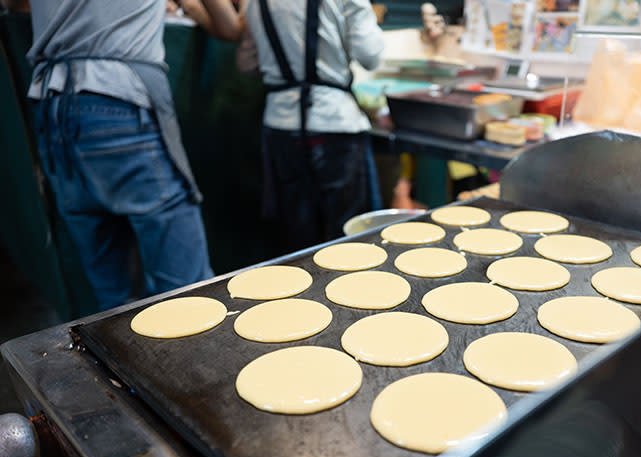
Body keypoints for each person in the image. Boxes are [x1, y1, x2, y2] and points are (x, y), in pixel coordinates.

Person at [27, 0, 214, 311]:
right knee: (189, 296)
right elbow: (228, 24)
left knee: (115, 300)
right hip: (118, 96)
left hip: (53, 103)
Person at [199, 0, 384, 252]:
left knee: (297, 241)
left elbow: (247, 63)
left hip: (280, 127)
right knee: (351, 236)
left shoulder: (254, 3)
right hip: (335, 123)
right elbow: (370, 55)